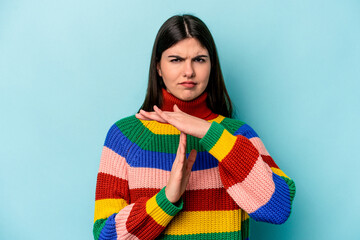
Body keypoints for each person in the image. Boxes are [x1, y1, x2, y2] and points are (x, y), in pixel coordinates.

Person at [93, 14, 296, 240]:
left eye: (199, 59)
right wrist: (167, 199)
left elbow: (279, 208)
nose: (188, 71)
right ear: (158, 67)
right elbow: (106, 236)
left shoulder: (235, 135)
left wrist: (210, 133)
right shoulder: (126, 136)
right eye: (176, 59)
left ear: (212, 66)